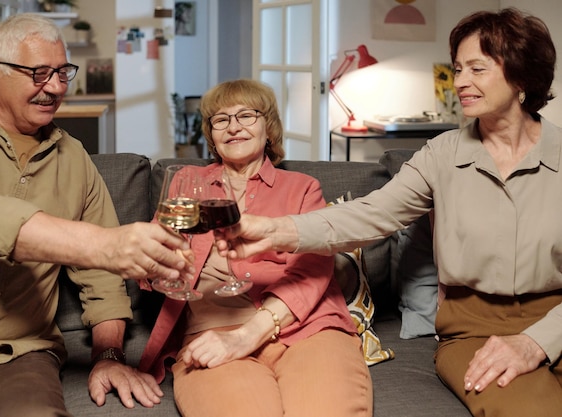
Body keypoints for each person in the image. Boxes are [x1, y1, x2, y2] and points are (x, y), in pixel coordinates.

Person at [215, 8, 562, 417]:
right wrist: (275, 230)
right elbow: (369, 215)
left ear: (521, 75)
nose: (460, 81)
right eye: (458, 68)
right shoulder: (441, 155)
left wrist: (539, 340)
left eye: (476, 69)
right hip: (476, 328)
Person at [0, 14, 192, 416]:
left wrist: (108, 354)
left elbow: (103, 281)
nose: (55, 87)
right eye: (40, 73)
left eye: (62, 72)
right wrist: (105, 244)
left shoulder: (74, 158)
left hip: (13, 356)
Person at [137, 79, 372, 417]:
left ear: (269, 128)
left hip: (307, 330)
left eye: (246, 115)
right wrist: (152, 257)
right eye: (221, 119)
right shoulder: (187, 181)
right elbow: (152, 267)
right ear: (212, 135)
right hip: (212, 334)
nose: (233, 127)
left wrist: (251, 333)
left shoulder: (303, 188)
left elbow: (314, 269)